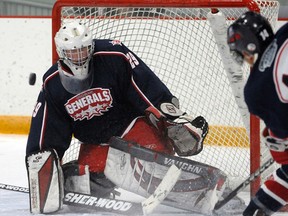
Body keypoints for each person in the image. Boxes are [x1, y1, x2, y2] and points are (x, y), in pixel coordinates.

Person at [25, 21, 210, 214]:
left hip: (130, 127)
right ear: (62, 52)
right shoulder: (53, 83)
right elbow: (47, 129)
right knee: (82, 188)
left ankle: (199, 191)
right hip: (96, 142)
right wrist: (41, 167)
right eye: (73, 51)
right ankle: (73, 174)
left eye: (83, 49)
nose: (79, 56)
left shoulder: (113, 55)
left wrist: (171, 116)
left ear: (91, 46)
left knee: (154, 162)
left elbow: (145, 85)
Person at [227, 11, 288, 216]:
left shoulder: (255, 90)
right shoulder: (284, 32)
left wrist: (279, 145)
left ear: (249, 46)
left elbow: (283, 148)